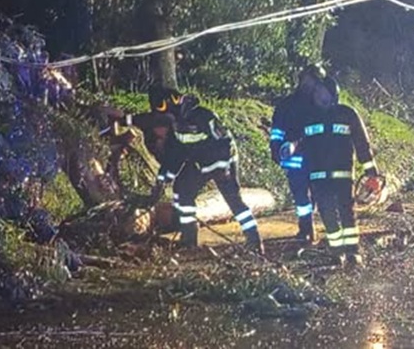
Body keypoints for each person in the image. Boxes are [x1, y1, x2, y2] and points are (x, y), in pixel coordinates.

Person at [156, 86, 265, 254]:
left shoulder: (204, 116)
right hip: (201, 163)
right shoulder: (177, 124)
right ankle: (189, 239)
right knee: (183, 190)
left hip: (223, 162)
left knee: (233, 199)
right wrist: (163, 178)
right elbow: (175, 154)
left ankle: (254, 241)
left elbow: (224, 143)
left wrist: (223, 169)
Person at [300, 76, 382, 266]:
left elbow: (362, 144)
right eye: (316, 92)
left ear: (332, 92)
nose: (318, 95)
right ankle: (337, 252)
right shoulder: (308, 117)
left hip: (343, 175)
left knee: (347, 213)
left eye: (322, 91)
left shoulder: (347, 114)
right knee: (327, 214)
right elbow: (301, 144)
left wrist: (372, 172)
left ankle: (353, 252)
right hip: (318, 176)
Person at [269, 64, 327, 243]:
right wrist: (276, 149)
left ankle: (328, 230)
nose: (309, 84)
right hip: (295, 160)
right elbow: (277, 130)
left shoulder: (321, 105)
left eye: (314, 81)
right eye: (307, 79)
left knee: (319, 195)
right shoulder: (287, 104)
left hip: (317, 158)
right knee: (301, 197)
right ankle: (306, 229)